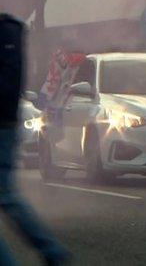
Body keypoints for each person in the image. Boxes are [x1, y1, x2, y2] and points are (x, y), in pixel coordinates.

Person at [0, 13, 70, 265]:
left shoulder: (6, 31)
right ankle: (54, 253)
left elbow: (8, 86)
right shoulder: (9, 30)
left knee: (6, 195)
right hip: (5, 125)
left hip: (2, 127)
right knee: (7, 196)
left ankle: (53, 252)